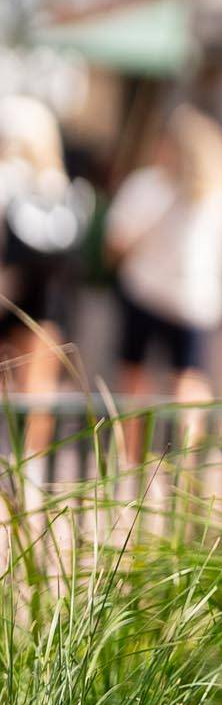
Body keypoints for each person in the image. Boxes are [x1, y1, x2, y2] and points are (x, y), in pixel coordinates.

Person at [105, 104, 222, 413]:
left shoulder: (151, 185)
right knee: (189, 382)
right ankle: (187, 456)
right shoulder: (221, 198)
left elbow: (117, 239)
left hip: (147, 291)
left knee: (134, 377)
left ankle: (130, 454)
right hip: (196, 301)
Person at [0, 95, 85, 463]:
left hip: (9, 294)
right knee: (37, 392)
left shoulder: (8, 180)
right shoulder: (61, 189)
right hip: (49, 307)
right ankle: (28, 470)